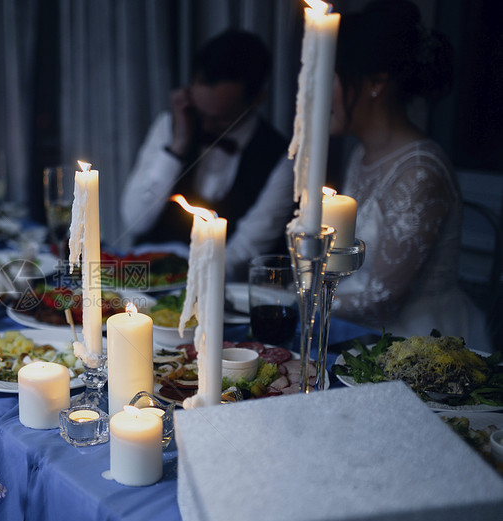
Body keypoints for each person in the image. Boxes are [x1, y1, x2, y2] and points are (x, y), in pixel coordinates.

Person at [329, 0, 491, 350]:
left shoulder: (421, 172)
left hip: (423, 345)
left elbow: (383, 298)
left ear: (375, 82)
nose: (316, 94)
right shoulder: (362, 153)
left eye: (329, 77)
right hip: (359, 334)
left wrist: (292, 295)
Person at [120, 29, 296, 282]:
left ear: (257, 99)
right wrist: (178, 146)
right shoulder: (169, 127)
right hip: (140, 281)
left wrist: (180, 282)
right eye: (200, 113)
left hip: (214, 289)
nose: (206, 125)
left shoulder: (282, 158)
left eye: (221, 118)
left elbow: (242, 254)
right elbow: (134, 221)